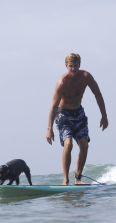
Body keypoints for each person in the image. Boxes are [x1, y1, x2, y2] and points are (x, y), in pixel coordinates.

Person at [46, 53, 108, 185]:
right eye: (70, 66)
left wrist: (104, 116)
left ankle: (78, 178)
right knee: (68, 144)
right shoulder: (62, 82)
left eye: (75, 66)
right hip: (63, 115)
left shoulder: (86, 77)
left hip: (78, 113)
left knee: (84, 145)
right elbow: (53, 107)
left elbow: (98, 95)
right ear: (66, 66)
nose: (73, 69)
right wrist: (49, 129)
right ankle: (65, 180)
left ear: (79, 65)